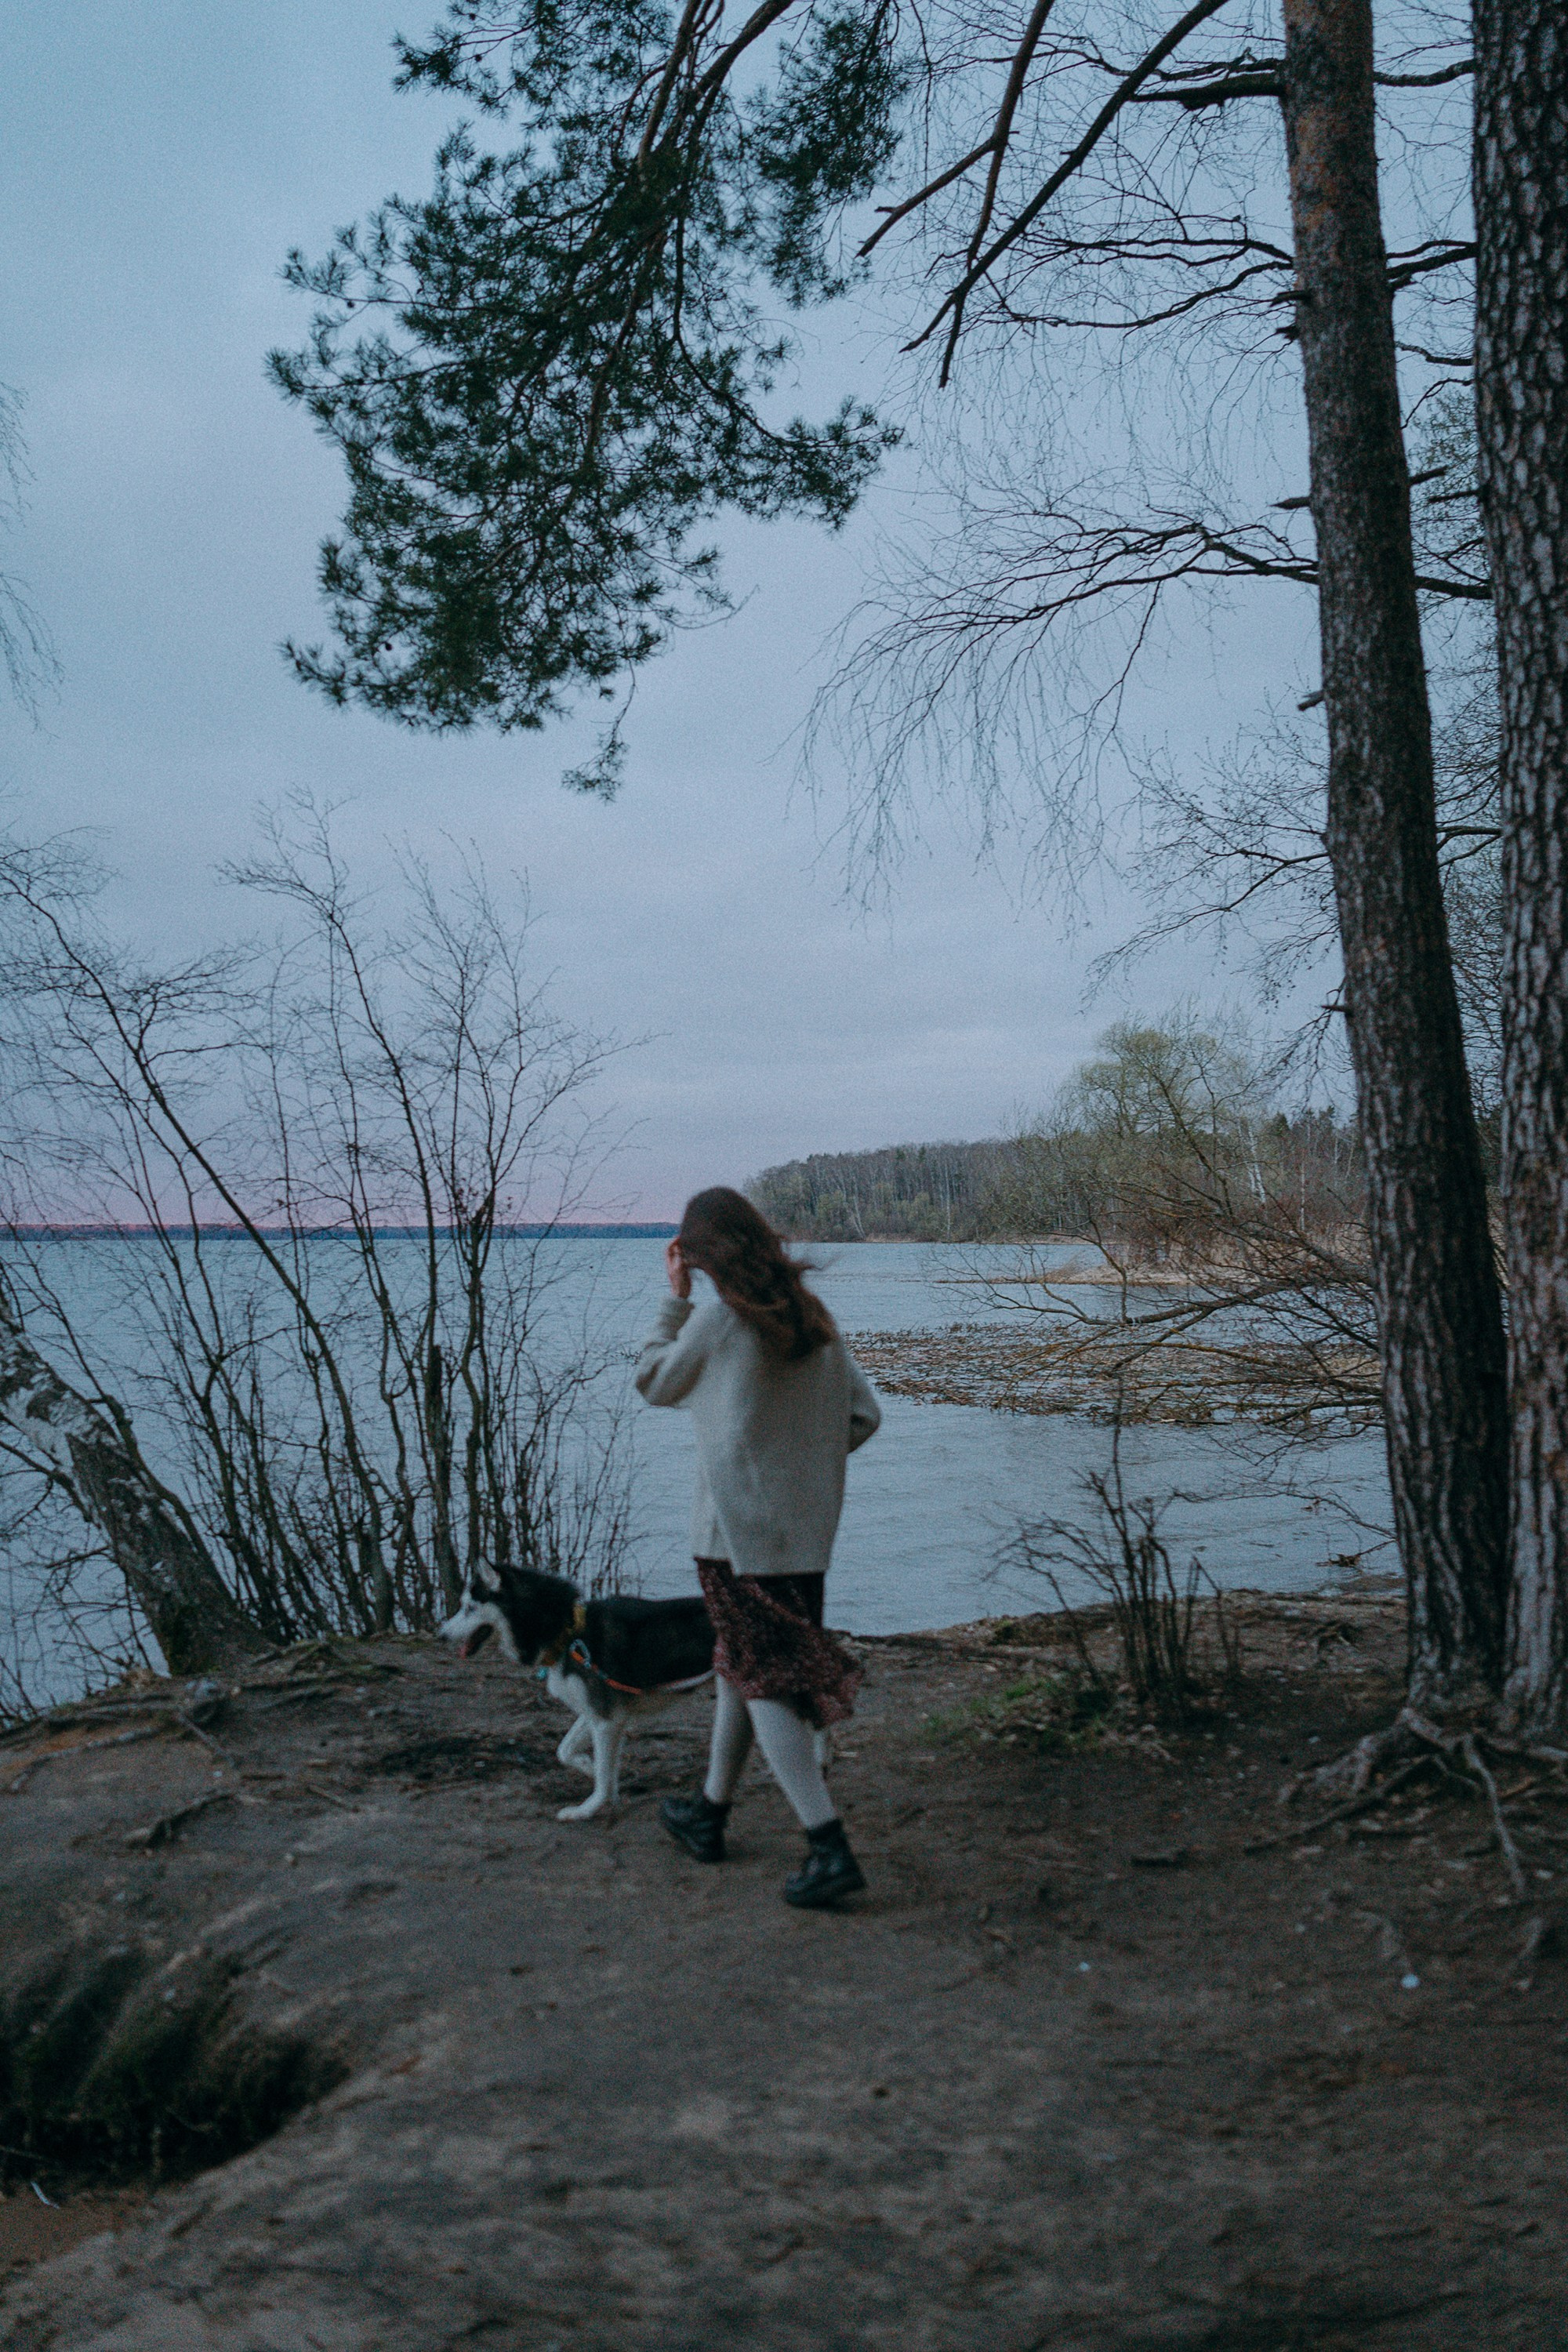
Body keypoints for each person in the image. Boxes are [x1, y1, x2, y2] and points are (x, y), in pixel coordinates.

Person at [634, 1187, 881, 1908]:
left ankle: (828, 1846)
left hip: (733, 1539)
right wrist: (801, 1471)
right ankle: (708, 1814)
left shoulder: (718, 1323)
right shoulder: (813, 1319)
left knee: (764, 1678)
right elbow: (864, 1416)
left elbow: (653, 1381)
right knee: (739, 1666)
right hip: (803, 1537)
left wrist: (674, 1301)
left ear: (698, 1257)